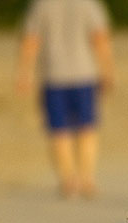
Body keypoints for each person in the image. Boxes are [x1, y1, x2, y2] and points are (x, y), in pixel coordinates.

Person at [16, 0, 115, 199]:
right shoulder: (88, 4)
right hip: (84, 73)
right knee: (87, 127)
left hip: (54, 75)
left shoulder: (41, 5)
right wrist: (108, 69)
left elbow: (31, 40)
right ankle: (87, 178)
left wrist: (24, 72)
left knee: (58, 130)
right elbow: (100, 38)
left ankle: (68, 180)